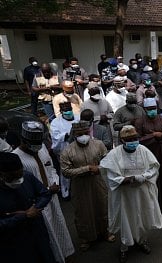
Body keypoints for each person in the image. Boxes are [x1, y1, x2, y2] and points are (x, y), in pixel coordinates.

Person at [12, 121, 75, 262]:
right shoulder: (16, 158)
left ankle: (66, 254)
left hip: (53, 196)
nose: (38, 146)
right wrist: (46, 190)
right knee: (48, 233)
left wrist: (55, 182)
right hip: (37, 203)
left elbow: (51, 168)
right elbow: (21, 186)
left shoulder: (41, 149)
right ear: (23, 141)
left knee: (59, 226)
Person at [100, 125, 162, 263]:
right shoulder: (114, 154)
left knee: (142, 215)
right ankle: (124, 247)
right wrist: (124, 180)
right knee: (126, 219)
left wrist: (143, 177)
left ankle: (141, 241)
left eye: (135, 138)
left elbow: (154, 167)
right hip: (125, 195)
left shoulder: (143, 150)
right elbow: (110, 174)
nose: (133, 141)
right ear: (122, 140)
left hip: (141, 192)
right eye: (129, 139)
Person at [60, 121, 111, 251]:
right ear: (74, 134)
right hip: (79, 186)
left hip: (98, 182)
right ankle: (85, 238)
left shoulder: (99, 144)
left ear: (89, 132)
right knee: (83, 212)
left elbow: (108, 162)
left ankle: (105, 232)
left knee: (102, 207)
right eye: (80, 134)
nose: (83, 136)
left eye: (86, 133)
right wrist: (86, 169)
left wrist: (99, 168)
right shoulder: (67, 150)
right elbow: (65, 172)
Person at [0, 152, 55, 263]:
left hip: (38, 233)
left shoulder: (27, 176)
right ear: (1, 174)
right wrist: (23, 216)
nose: (18, 179)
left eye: (20, 175)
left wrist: (35, 207)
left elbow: (44, 193)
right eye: (12, 177)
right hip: (14, 243)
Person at [134, 98, 162, 212]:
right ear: (145, 109)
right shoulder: (140, 122)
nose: (152, 111)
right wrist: (153, 136)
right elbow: (137, 140)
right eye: (150, 109)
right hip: (147, 154)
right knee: (149, 179)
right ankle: (151, 206)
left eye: (154, 108)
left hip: (161, 152)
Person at [50, 101, 79, 199]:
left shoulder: (78, 117)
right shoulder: (55, 122)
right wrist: (66, 135)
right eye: (65, 110)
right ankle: (66, 192)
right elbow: (55, 137)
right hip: (64, 150)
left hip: (79, 148)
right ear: (61, 111)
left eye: (69, 109)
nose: (68, 112)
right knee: (66, 172)